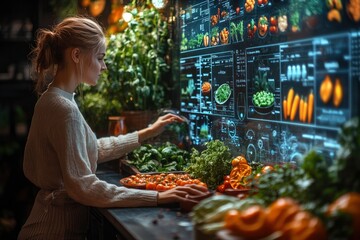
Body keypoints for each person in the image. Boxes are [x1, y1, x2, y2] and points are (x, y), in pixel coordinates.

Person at [18, 16, 209, 240]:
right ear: (76, 55)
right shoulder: (62, 108)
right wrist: (159, 196)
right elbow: (83, 185)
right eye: (100, 58)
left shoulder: (56, 99)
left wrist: (146, 133)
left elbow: (90, 149)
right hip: (52, 232)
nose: (104, 66)